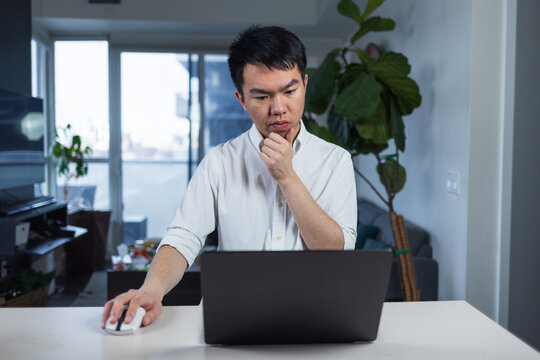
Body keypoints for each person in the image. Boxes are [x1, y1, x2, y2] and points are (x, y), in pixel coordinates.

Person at [101, 26, 357, 330]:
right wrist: (151, 290)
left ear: (304, 84)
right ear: (241, 99)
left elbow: (336, 252)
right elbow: (184, 236)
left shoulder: (335, 161)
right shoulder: (220, 162)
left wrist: (287, 177)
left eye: (289, 92)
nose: (278, 109)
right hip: (231, 318)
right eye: (261, 96)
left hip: (312, 318)